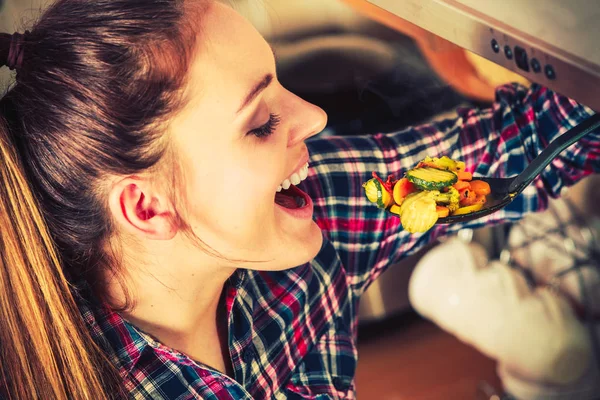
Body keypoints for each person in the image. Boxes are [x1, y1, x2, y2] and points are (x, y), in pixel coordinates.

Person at [0, 0, 597, 399]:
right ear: (148, 209)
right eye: (261, 123)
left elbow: (528, 140)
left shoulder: (304, 216)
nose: (314, 117)